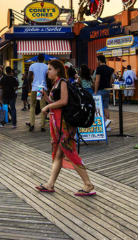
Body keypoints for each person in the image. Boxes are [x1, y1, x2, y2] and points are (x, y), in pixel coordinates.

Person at [36, 59, 96, 196]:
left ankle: (88, 183)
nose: (48, 72)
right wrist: (47, 99)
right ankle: (50, 184)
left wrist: (47, 106)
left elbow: (63, 101)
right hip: (58, 123)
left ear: (57, 70)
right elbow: (58, 103)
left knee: (69, 151)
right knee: (58, 152)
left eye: (50, 69)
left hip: (64, 124)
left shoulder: (62, 82)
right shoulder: (57, 83)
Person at [27, 53, 48, 132]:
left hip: (35, 88)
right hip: (42, 88)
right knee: (43, 107)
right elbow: (47, 78)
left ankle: (32, 124)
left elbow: (29, 77)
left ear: (37, 58)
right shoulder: (46, 66)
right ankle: (42, 126)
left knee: (33, 106)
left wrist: (30, 87)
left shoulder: (32, 66)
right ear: (44, 59)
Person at [94, 55, 114, 131]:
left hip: (101, 90)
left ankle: (103, 124)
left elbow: (97, 80)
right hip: (107, 90)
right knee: (105, 108)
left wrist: (95, 91)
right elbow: (111, 80)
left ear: (99, 60)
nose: (96, 62)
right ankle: (108, 126)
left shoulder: (99, 69)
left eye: (96, 60)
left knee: (98, 108)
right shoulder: (109, 69)